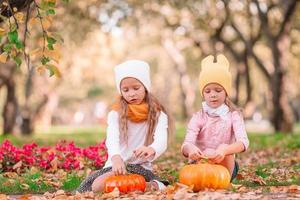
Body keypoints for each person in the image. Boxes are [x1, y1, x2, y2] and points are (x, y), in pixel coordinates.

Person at [76, 60, 173, 193]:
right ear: (120, 91)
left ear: (145, 87)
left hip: (140, 167)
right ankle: (141, 187)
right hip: (116, 165)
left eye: (136, 88)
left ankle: (151, 185)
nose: (131, 94)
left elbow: (162, 140)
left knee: (100, 186)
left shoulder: (158, 114)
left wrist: (151, 148)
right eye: (125, 90)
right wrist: (116, 158)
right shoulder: (116, 114)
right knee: (94, 187)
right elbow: (112, 138)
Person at [181, 54, 249, 182]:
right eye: (208, 91)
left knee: (224, 148)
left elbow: (243, 142)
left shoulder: (234, 115)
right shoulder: (198, 117)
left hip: (224, 167)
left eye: (218, 90)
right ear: (203, 94)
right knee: (204, 154)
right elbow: (186, 144)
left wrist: (225, 150)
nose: (213, 95)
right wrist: (191, 149)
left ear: (226, 91)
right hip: (202, 164)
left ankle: (226, 177)